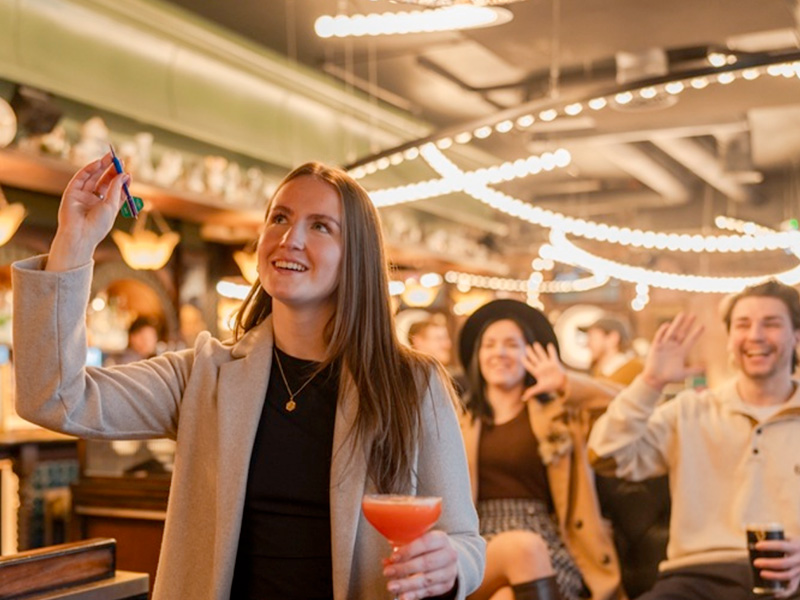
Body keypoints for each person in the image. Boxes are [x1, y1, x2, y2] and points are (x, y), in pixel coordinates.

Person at [12, 154, 485, 600]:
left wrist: (452, 564)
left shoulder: (410, 384)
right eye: (279, 218)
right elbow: (53, 397)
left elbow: (466, 540)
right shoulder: (205, 376)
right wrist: (74, 241)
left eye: (320, 226)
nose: (289, 238)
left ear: (355, 257)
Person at [588, 280, 800, 599]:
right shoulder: (688, 411)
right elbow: (605, 456)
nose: (755, 335)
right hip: (696, 577)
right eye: (743, 324)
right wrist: (651, 381)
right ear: (730, 339)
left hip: (790, 575)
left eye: (771, 324)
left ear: (796, 336)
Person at [457, 299, 623, 600]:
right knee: (522, 548)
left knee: (507, 595)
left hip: (548, 542)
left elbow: (627, 406)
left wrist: (564, 382)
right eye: (490, 345)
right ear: (477, 356)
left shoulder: (560, 414)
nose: (500, 353)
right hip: (478, 543)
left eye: (511, 344)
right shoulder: (458, 419)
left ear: (531, 354)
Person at [580, 315, 643, 386]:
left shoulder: (634, 369)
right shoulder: (599, 370)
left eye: (592, 338)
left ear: (613, 338)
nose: (588, 344)